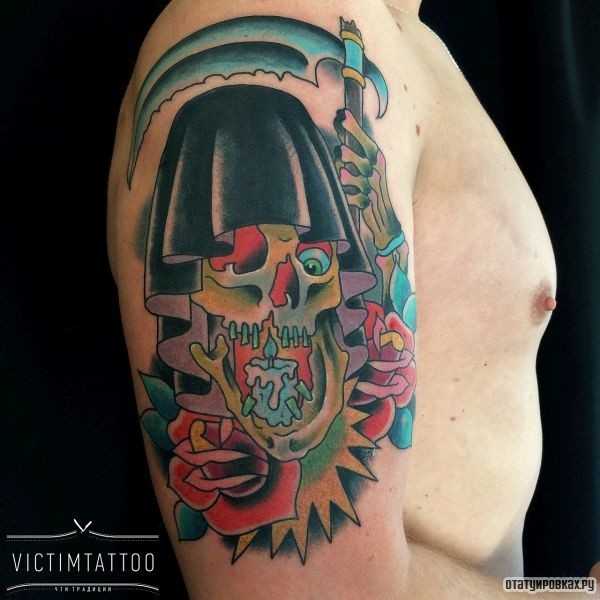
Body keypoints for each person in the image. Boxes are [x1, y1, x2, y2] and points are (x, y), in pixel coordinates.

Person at [108, 0, 596, 597]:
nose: (284, 293)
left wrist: (569, 592)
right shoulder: (282, 12)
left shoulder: (411, 38)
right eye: (241, 267)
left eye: (313, 264)